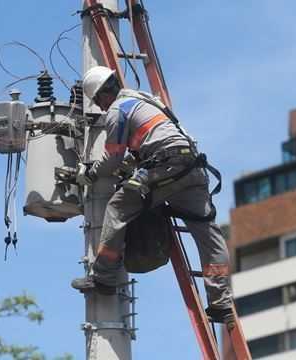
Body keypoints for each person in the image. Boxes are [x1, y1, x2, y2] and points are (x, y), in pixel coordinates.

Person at [72, 66, 234, 325]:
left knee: (118, 207)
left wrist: (90, 174)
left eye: (98, 102)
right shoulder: (145, 99)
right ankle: (221, 303)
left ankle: (103, 277)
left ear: (103, 95)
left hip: (164, 168)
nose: (101, 108)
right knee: (207, 233)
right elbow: (148, 144)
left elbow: (112, 161)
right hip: (192, 167)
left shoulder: (117, 111)